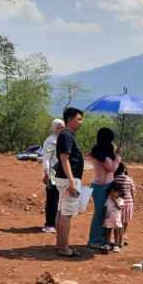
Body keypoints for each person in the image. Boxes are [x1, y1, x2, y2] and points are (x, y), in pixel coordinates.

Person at [53, 107, 85, 257]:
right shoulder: (66, 135)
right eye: (79, 119)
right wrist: (72, 181)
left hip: (64, 178)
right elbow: (64, 158)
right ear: (70, 119)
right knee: (67, 213)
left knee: (61, 210)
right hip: (68, 179)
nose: (81, 122)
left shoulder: (66, 135)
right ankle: (64, 247)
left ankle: (60, 244)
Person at [87, 127, 122, 251]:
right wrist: (118, 156)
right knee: (100, 214)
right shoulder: (100, 153)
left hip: (105, 185)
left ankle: (103, 239)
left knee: (106, 214)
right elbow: (112, 168)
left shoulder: (101, 151)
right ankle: (94, 240)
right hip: (101, 186)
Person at [41, 118, 64, 233]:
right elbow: (47, 158)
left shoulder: (62, 140)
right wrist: (46, 173)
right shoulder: (50, 141)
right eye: (59, 127)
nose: (61, 129)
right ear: (54, 128)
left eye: (62, 127)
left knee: (59, 199)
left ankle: (55, 222)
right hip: (53, 174)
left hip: (61, 173)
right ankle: (49, 224)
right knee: (52, 199)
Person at [114, 163, 136, 245]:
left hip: (119, 202)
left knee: (119, 221)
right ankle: (123, 235)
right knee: (126, 220)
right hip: (129, 202)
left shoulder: (114, 179)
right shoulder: (130, 179)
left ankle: (119, 239)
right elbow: (133, 192)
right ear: (125, 170)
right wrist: (133, 201)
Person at [103, 185, 125, 252]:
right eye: (111, 192)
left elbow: (120, 208)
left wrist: (114, 201)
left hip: (116, 219)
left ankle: (116, 245)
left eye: (115, 192)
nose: (112, 193)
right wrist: (105, 214)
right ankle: (107, 244)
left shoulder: (120, 200)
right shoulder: (108, 199)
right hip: (109, 218)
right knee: (108, 232)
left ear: (119, 192)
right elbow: (106, 207)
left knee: (116, 232)